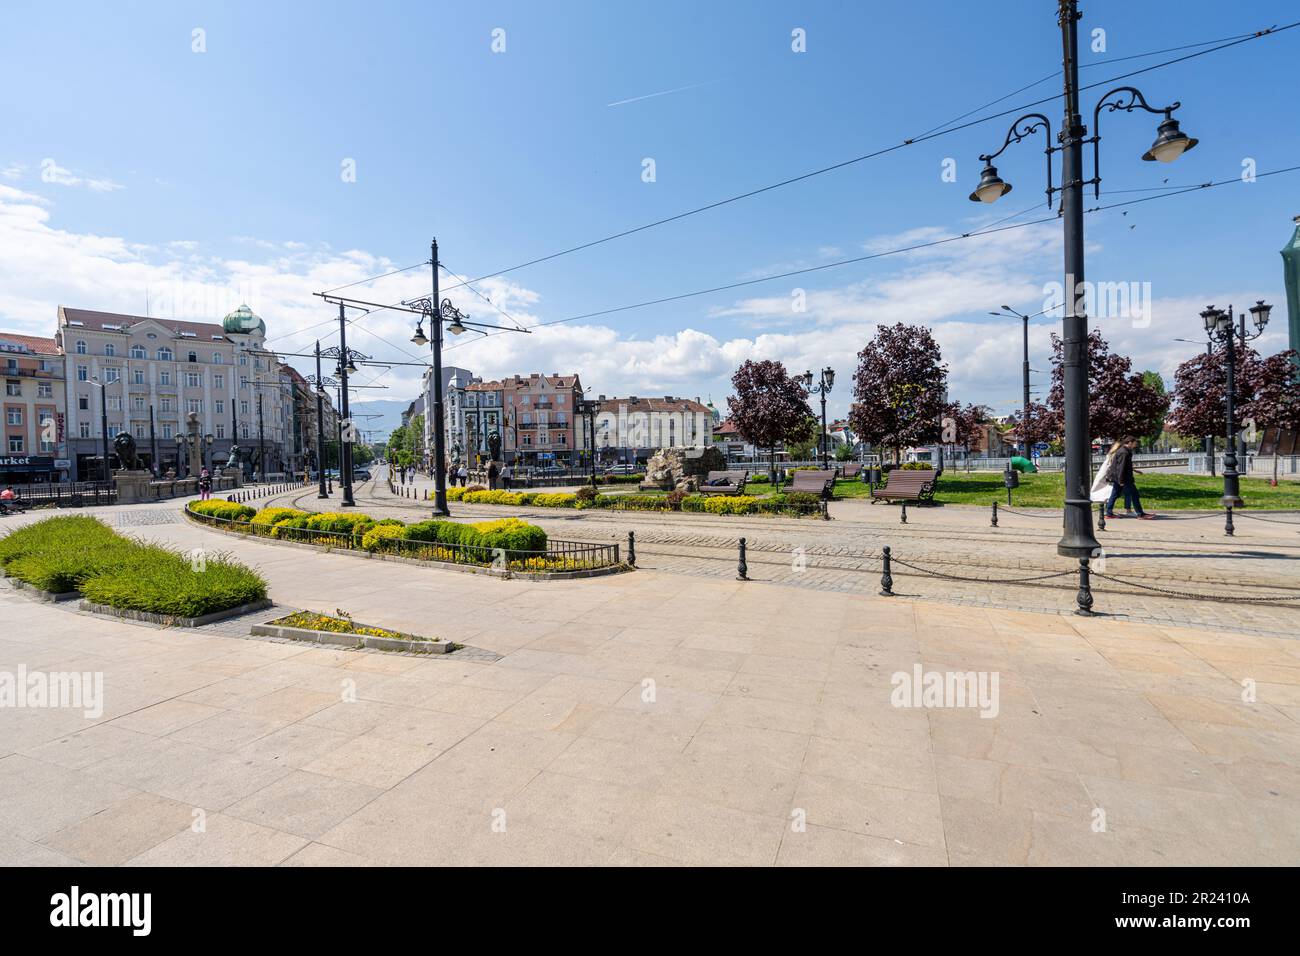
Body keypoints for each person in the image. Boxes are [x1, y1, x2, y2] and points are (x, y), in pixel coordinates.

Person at [1105, 436, 1153, 519]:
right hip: (1124, 479)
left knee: (1114, 494)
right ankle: (1140, 514)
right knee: (1135, 494)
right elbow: (1121, 467)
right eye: (1135, 442)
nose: (1136, 444)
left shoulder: (1124, 451)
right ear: (1130, 442)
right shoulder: (1124, 452)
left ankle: (1109, 513)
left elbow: (1124, 466)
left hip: (1119, 477)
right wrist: (1121, 480)